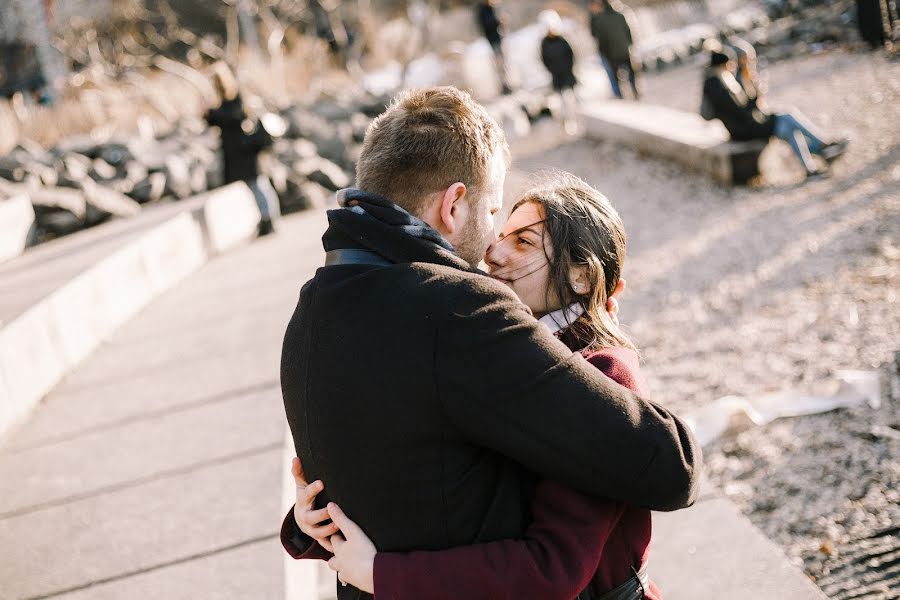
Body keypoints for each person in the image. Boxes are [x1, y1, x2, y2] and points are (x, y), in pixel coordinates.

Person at [279, 86, 700, 600]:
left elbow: (394, 458)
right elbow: (669, 462)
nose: (492, 251)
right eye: (493, 213)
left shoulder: (309, 313)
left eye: (520, 239)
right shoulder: (460, 312)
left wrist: (307, 522)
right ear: (454, 206)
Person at [701, 46, 848, 179]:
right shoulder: (719, 85)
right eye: (730, 64)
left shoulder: (715, 82)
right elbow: (740, 111)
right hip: (744, 131)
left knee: (789, 128)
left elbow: (738, 110)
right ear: (723, 64)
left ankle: (813, 164)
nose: (733, 67)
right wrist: (756, 96)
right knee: (787, 117)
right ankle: (821, 147)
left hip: (743, 127)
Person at [204, 62, 278, 236]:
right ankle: (267, 218)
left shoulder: (236, 98)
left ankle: (269, 219)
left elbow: (232, 117)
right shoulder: (226, 100)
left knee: (258, 184)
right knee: (256, 185)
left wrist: (213, 114)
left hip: (245, 150)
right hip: (239, 151)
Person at [539, 10, 580, 134]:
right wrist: (552, 70)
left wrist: (570, 67)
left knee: (572, 98)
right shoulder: (544, 43)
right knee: (561, 101)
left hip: (567, 73)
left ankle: (576, 119)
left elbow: (571, 54)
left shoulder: (562, 40)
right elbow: (544, 59)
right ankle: (567, 123)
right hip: (556, 75)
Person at [590, 0, 639, 100]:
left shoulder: (600, 20)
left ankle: (620, 95)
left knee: (615, 76)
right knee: (631, 73)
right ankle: (635, 91)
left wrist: (603, 52)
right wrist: (629, 45)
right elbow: (628, 31)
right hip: (625, 50)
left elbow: (601, 38)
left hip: (611, 54)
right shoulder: (620, 16)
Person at [476, 0, 512, 95]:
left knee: (504, 63)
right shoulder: (482, 11)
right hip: (493, 41)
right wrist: (498, 21)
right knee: (499, 64)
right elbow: (487, 25)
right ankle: (503, 86)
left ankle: (507, 84)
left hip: (499, 39)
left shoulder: (493, 8)